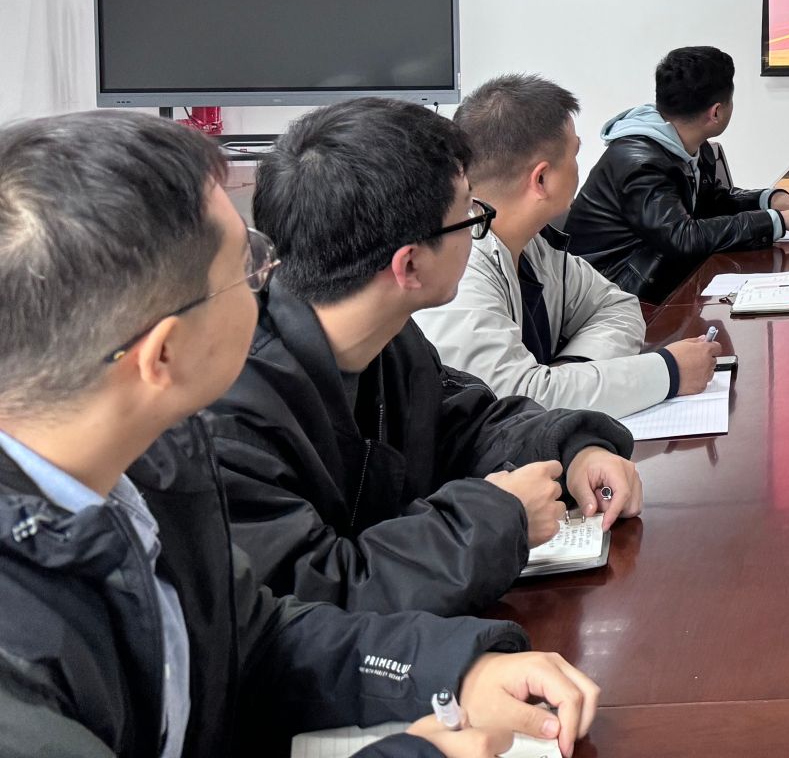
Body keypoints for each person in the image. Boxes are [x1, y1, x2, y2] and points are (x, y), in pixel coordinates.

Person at [0, 111, 601, 758]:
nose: (273, 279)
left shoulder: (154, 464)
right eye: (247, 267)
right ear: (163, 354)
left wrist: (454, 671)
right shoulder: (18, 651)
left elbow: (257, 640)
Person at [206, 97, 644, 619]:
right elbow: (318, 593)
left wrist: (574, 449)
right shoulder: (232, 415)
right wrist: (498, 519)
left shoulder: (386, 337)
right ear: (409, 265)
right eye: (468, 216)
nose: (478, 226)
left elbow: (467, 423)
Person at [417, 74, 720, 418]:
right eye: (575, 154)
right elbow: (513, 403)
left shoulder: (534, 245)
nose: (579, 167)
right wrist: (669, 372)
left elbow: (618, 307)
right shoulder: (459, 271)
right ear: (542, 179)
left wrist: (573, 371)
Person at [565, 46, 789, 301]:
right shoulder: (640, 163)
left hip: (659, 275)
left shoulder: (688, 143)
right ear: (716, 112)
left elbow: (710, 202)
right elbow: (682, 237)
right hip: (615, 295)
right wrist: (778, 221)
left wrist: (769, 200)